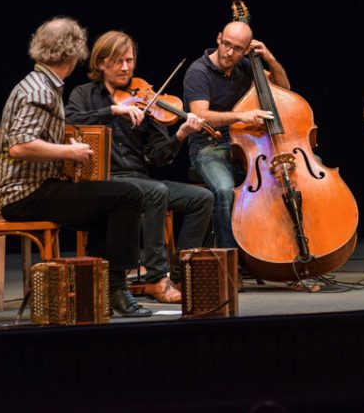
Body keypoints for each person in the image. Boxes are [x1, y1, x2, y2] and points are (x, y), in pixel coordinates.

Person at [0, 17, 151, 317]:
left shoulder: (40, 83)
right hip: (28, 195)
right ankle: (116, 288)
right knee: (128, 196)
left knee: (112, 206)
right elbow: (21, 146)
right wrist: (70, 151)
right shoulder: (39, 91)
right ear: (74, 52)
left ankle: (92, 286)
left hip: (35, 190)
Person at [65, 30, 215, 303]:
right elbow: (69, 120)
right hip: (104, 180)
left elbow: (158, 157)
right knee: (155, 192)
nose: (125, 67)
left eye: (130, 60)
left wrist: (180, 135)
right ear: (100, 63)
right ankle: (156, 279)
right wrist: (113, 111)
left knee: (202, 198)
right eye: (118, 61)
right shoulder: (83, 94)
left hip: (138, 178)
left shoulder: (145, 98)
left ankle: (180, 276)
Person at [183, 21, 290, 252]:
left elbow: (284, 90)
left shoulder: (245, 66)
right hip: (209, 147)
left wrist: (270, 58)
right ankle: (230, 262)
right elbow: (201, 115)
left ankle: (274, 253)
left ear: (246, 50)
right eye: (226, 45)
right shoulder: (198, 72)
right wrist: (242, 116)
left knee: (285, 179)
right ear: (218, 38)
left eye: (237, 49)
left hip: (247, 144)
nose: (229, 53)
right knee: (224, 190)